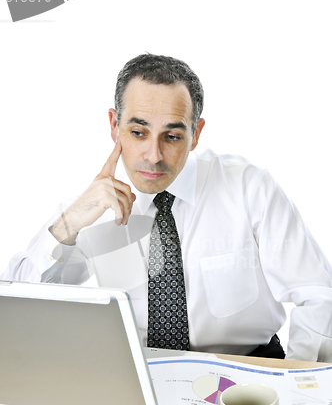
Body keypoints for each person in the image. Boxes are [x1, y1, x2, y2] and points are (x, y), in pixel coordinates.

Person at [2, 53, 332, 362]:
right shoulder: (93, 204)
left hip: (244, 372)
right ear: (114, 124)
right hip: (141, 375)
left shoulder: (249, 188)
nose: (153, 155)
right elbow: (15, 307)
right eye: (137, 132)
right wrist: (68, 225)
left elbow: (318, 295)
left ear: (196, 133)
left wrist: (295, 384)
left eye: (171, 136)